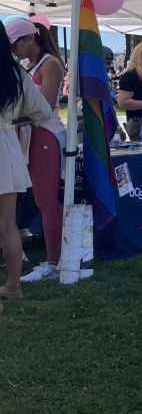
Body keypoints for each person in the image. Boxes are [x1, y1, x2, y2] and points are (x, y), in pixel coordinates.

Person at [6, 19, 67, 283]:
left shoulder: (50, 63)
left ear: (29, 39)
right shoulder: (25, 66)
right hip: (28, 135)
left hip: (46, 135)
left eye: (14, 45)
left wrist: (12, 114)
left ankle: (54, 260)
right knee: (32, 197)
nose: (13, 51)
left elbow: (47, 105)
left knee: (46, 200)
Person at [0, 21, 52, 300]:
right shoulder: (15, 73)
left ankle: (12, 286)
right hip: (6, 145)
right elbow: (43, 111)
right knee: (7, 222)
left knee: (7, 223)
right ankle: (13, 286)